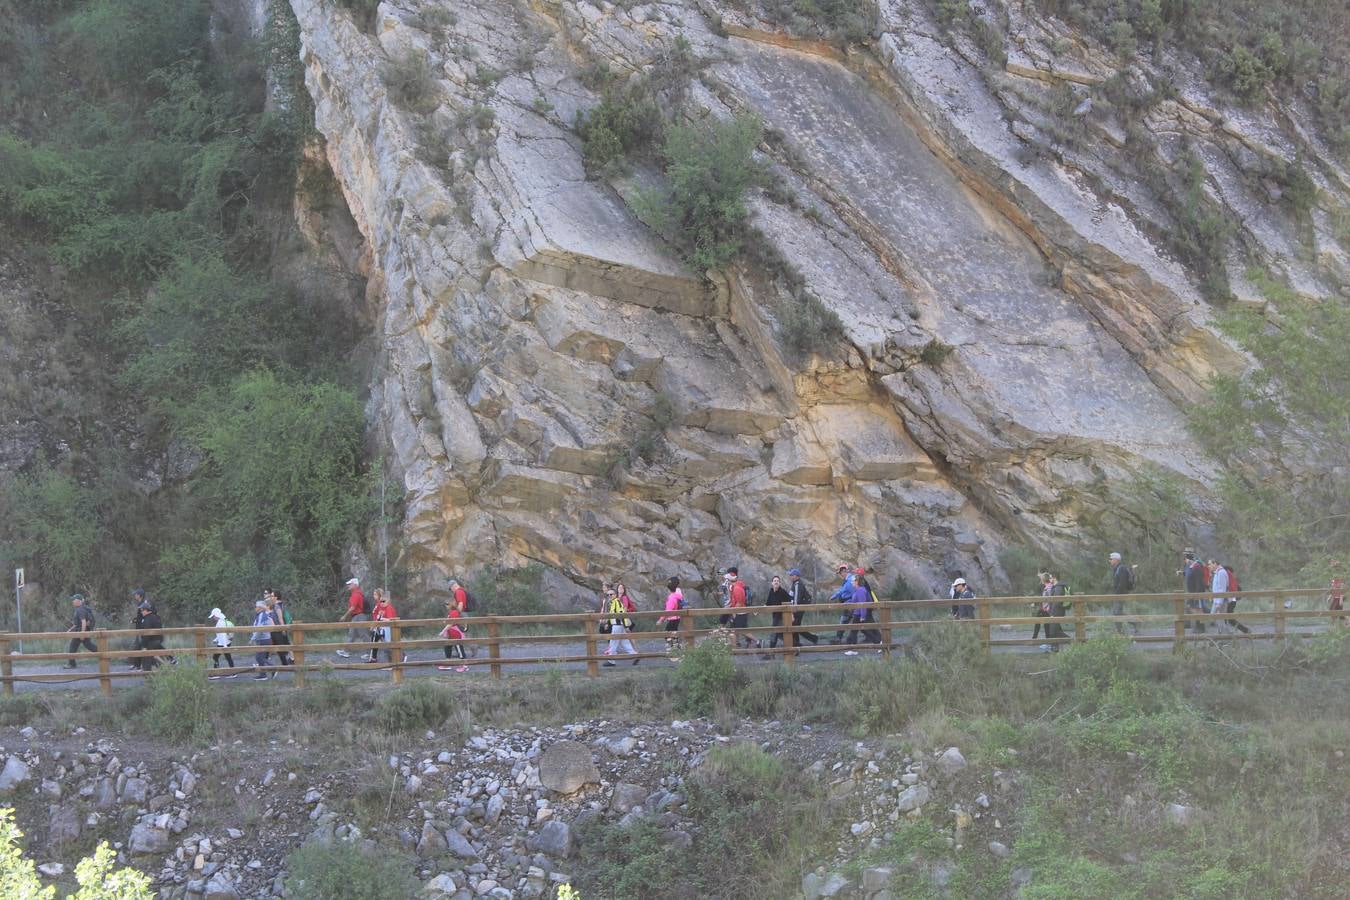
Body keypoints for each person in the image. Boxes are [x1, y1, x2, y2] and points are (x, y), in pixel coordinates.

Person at [844, 568, 881, 652]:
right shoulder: (858, 589)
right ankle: (879, 643)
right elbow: (856, 600)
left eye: (853, 580)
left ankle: (852, 650)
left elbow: (862, 604)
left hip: (859, 614)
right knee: (864, 630)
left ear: (857, 581)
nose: (851, 582)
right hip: (858, 614)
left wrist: (863, 616)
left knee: (857, 631)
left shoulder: (860, 590)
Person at [603, 582, 639, 666]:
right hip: (618, 625)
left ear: (615, 594)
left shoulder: (616, 602)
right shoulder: (613, 602)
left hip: (618, 625)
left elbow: (621, 614)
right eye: (608, 595)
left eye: (611, 594)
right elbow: (612, 615)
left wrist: (626, 626)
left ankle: (611, 661)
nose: (609, 596)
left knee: (613, 642)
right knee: (624, 642)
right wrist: (608, 623)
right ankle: (635, 655)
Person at [725, 567, 759, 651]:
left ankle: (757, 641)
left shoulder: (737, 588)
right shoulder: (737, 585)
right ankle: (736, 645)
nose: (727, 581)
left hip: (740, 612)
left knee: (741, 630)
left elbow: (739, 602)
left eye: (727, 579)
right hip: (740, 612)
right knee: (736, 630)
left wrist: (733, 612)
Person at [336, 577, 368, 659]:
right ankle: (346, 651)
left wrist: (344, 616)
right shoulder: (356, 593)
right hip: (357, 616)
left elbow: (352, 608)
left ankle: (369, 653)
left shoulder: (356, 594)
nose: (348, 585)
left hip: (359, 616)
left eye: (350, 584)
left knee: (363, 634)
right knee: (352, 634)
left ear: (355, 585)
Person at [787, 568, 819, 647]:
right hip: (797, 609)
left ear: (796, 576)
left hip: (798, 610)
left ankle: (798, 644)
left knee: (794, 627)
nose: (790, 576)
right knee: (795, 627)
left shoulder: (797, 584)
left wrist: (793, 610)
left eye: (791, 575)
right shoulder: (795, 584)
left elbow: (796, 599)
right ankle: (806, 641)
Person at [64, 594, 97, 668]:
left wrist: (82, 633)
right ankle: (106, 655)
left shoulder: (80, 610)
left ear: (79, 601)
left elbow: (83, 622)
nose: (72, 601)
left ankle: (71, 664)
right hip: (82, 631)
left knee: (72, 647)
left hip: (80, 632)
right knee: (89, 646)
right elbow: (76, 624)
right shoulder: (81, 609)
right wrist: (70, 630)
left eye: (74, 600)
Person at [1109, 552, 1138, 635]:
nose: (1110, 561)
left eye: (1111, 559)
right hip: (1119, 594)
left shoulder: (1121, 569)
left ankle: (1120, 632)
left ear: (1116, 560)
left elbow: (1122, 584)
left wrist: (1117, 595)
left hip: (1120, 595)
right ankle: (1135, 622)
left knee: (1117, 613)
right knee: (1117, 612)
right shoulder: (1117, 568)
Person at [436, 600, 469, 672]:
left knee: (459, 649)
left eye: (447, 604)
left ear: (452, 605)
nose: (446, 606)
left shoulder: (454, 612)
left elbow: (451, 623)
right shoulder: (451, 613)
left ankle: (464, 666)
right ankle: (447, 664)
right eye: (445, 604)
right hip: (451, 634)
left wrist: (443, 631)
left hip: (456, 634)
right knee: (447, 647)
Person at [265, 590, 294, 667]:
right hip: (276, 629)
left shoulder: (277, 606)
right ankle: (288, 661)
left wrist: (283, 629)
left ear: (276, 597)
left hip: (278, 629)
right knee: (280, 646)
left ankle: (290, 660)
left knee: (282, 645)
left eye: (271, 596)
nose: (270, 597)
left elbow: (280, 618)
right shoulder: (276, 605)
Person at [368, 589, 398, 664]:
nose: (382, 602)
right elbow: (377, 616)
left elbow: (391, 619)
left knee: (389, 645)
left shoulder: (388, 608)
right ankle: (374, 658)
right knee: (379, 641)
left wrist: (381, 619)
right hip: (381, 627)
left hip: (388, 628)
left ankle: (398, 659)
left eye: (375, 594)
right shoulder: (381, 606)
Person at [830, 564, 857, 643]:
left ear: (843, 571)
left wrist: (834, 596)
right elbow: (843, 590)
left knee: (845, 620)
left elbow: (850, 592)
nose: (840, 575)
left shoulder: (849, 580)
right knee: (854, 621)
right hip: (849, 603)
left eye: (840, 573)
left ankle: (839, 639)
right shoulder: (849, 580)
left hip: (849, 603)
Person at [764, 575, 791, 654]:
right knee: (780, 634)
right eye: (774, 581)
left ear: (779, 583)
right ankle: (796, 646)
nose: (776, 582)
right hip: (775, 615)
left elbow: (790, 602)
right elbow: (768, 603)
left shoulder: (782, 592)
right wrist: (759, 609)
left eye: (777, 581)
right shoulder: (771, 591)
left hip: (783, 616)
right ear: (772, 583)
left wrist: (791, 615)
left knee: (774, 632)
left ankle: (770, 653)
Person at [1182, 550, 1208, 635]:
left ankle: (1201, 627)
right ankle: (1198, 625)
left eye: (1185, 558)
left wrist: (1197, 594)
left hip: (1197, 593)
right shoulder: (1191, 567)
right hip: (1191, 592)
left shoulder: (1197, 567)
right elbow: (1189, 576)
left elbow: (1198, 582)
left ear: (1188, 558)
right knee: (1194, 608)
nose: (1184, 560)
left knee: (1198, 610)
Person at [207, 608, 237, 677]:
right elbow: (220, 634)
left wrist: (224, 646)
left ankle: (216, 674)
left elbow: (223, 634)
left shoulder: (220, 622)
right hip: (226, 642)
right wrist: (216, 639)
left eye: (213, 616)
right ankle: (233, 672)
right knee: (228, 657)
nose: (213, 618)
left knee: (215, 657)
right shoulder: (223, 620)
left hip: (223, 644)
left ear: (216, 615)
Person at [250, 599, 275, 679]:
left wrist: (253, 639)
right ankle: (265, 673)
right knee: (260, 657)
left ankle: (267, 672)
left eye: (256, 607)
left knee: (259, 657)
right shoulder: (261, 615)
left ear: (260, 608)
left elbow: (259, 629)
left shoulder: (262, 616)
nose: (255, 608)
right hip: (263, 639)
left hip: (263, 640)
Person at [658, 576, 684, 652]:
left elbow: (667, 611)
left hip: (672, 618)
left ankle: (674, 648)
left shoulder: (672, 597)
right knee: (674, 633)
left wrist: (661, 620)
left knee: (667, 634)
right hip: (677, 617)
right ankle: (677, 647)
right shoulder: (678, 595)